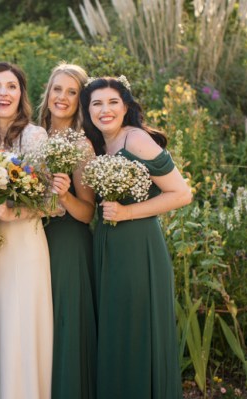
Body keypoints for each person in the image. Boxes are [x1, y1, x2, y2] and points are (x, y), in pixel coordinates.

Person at [81, 76, 192, 398]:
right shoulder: (103, 144)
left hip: (137, 249)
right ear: (88, 111)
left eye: (113, 102)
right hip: (107, 247)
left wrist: (128, 212)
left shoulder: (136, 140)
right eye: (97, 104)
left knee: (136, 331)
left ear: (126, 106)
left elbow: (181, 193)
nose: (105, 110)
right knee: (116, 331)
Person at [0, 62, 53, 399]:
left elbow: (54, 202)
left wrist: (12, 211)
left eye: (11, 86)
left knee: (21, 323)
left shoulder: (35, 136)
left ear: (21, 93)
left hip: (24, 245)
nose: (3, 93)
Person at [37, 63, 97, 399]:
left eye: (72, 92)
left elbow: (87, 213)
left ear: (80, 101)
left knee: (63, 325)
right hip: (30, 236)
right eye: (58, 89)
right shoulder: (30, 133)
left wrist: (64, 195)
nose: (63, 97)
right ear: (48, 92)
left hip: (66, 241)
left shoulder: (81, 145)